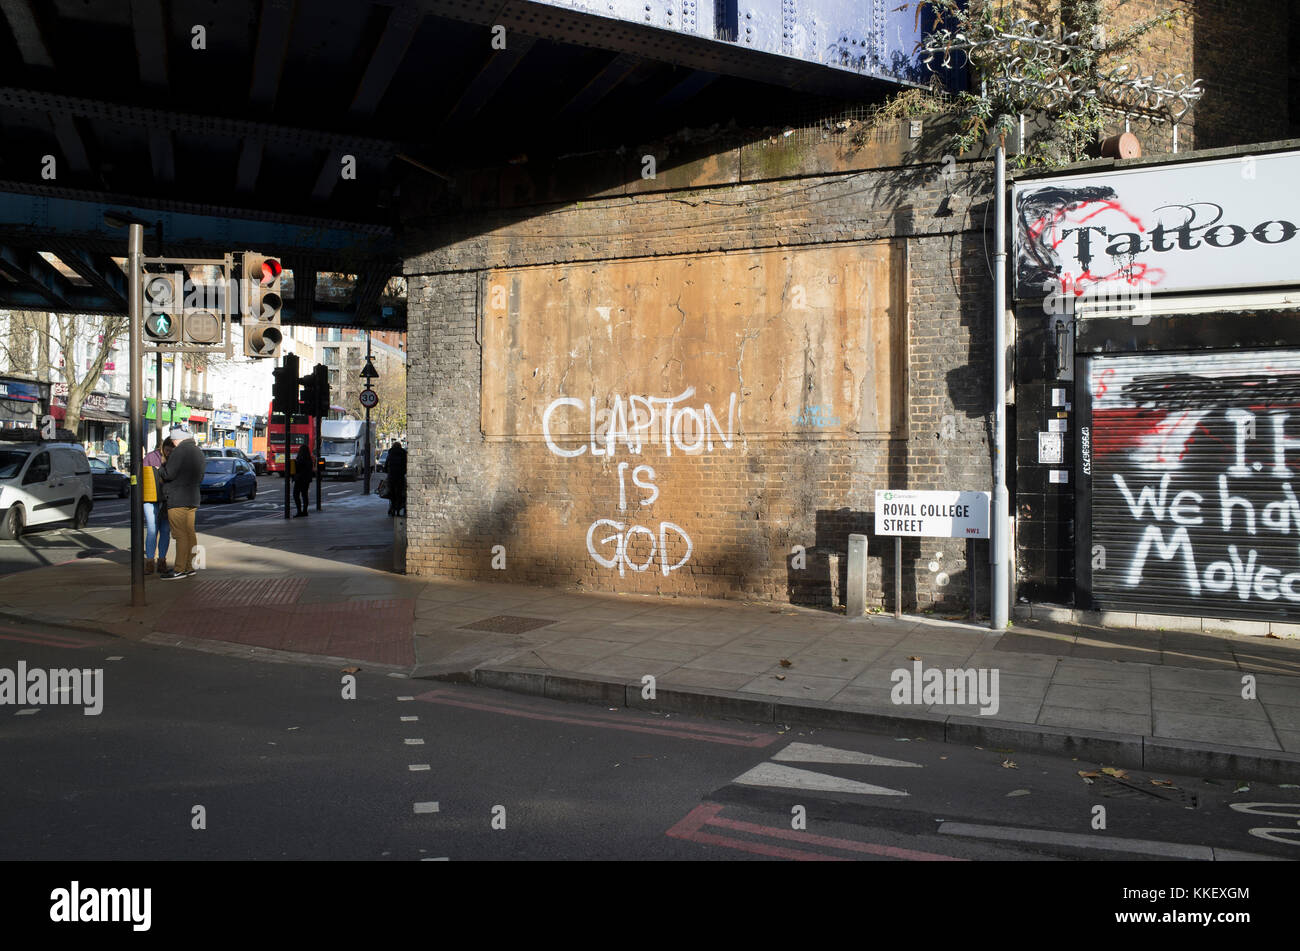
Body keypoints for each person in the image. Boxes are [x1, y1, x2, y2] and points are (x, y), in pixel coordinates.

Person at [157, 424, 205, 580]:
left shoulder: (179, 451)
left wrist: (160, 469)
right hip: (193, 498)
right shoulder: (197, 451)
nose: (172, 442)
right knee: (190, 533)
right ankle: (189, 567)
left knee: (180, 534)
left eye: (173, 439)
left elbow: (169, 474)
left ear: (177, 438)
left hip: (177, 498)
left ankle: (179, 569)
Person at [142, 436, 174, 574]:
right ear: (162, 447)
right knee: (152, 529)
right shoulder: (150, 457)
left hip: (167, 499)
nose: (168, 453)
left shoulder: (174, 460)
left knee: (165, 530)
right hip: (150, 498)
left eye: (171, 451)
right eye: (167, 450)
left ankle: (162, 561)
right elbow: (142, 476)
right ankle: (149, 562)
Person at [386, 440, 406, 517]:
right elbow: (405, 464)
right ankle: (398, 510)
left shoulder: (390, 452)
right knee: (400, 493)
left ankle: (392, 508)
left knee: (392, 493)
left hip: (391, 476)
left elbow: (387, 463)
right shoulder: (403, 453)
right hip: (400, 476)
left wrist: (387, 471)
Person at [293, 443, 314, 517]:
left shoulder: (300, 459)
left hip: (299, 479)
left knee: (296, 495)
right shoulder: (309, 459)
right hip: (306, 480)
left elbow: (297, 468)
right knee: (304, 495)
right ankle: (305, 511)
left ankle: (299, 511)